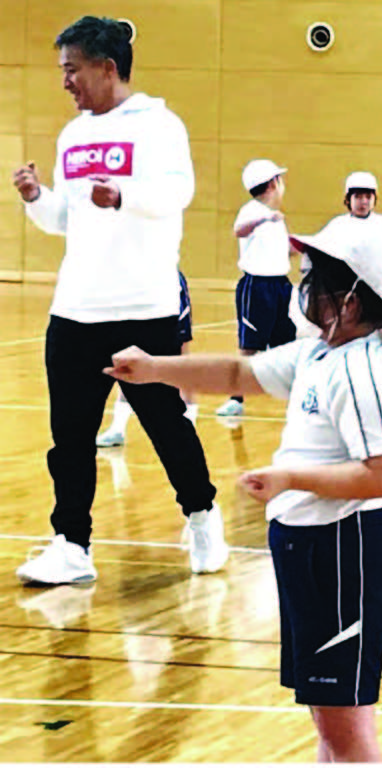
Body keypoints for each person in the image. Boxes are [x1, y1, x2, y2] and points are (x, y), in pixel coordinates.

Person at [105, 217, 382, 762]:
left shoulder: (364, 372)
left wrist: (289, 479)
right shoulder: (319, 354)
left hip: (344, 553)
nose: (305, 286)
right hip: (308, 550)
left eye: (317, 277)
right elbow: (237, 374)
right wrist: (155, 368)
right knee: (329, 725)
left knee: (347, 734)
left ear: (352, 300)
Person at [10, 16, 227, 585]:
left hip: (143, 308)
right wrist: (37, 198)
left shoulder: (159, 125)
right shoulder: (73, 135)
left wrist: (123, 195)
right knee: (70, 437)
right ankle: (71, 544)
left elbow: (177, 192)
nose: (66, 81)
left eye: (73, 69)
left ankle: (202, 515)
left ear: (108, 68)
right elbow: (66, 219)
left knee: (167, 426)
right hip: (75, 309)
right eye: (63, 71)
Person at [216, 159, 296, 419]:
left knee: (288, 344)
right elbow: (238, 231)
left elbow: (285, 250)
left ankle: (299, 395)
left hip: (280, 285)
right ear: (272, 183)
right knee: (250, 346)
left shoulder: (276, 218)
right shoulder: (252, 211)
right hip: (257, 287)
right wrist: (263, 219)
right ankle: (236, 399)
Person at [97, 270, 198, 447]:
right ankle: (118, 428)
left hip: (165, 286)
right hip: (133, 286)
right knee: (127, 357)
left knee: (180, 355)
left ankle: (190, 421)